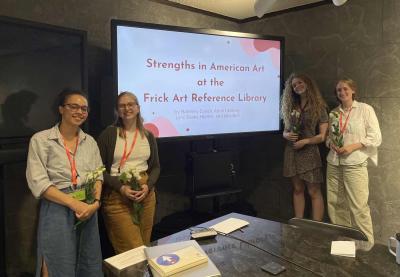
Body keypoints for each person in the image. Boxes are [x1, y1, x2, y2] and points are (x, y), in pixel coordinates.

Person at [26, 90, 103, 277]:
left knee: (88, 260)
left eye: (84, 108)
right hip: (57, 207)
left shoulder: (90, 141)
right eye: (73, 106)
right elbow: (39, 182)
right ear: (61, 109)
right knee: (56, 261)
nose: (80, 111)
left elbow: (98, 175)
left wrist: (95, 204)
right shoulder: (41, 139)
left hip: (87, 208)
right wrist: (72, 203)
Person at [97, 91, 160, 254]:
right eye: (122, 105)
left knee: (145, 249)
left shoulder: (148, 135)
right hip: (117, 197)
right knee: (133, 253)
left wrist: (148, 186)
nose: (127, 108)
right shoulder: (109, 135)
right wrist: (121, 187)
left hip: (146, 197)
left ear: (138, 108)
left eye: (130, 104)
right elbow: (98, 170)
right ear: (117, 110)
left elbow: (155, 167)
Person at [326, 78, 381, 244]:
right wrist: (331, 144)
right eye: (338, 90)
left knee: (359, 209)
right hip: (334, 163)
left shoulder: (365, 109)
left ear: (353, 90)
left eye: (345, 89)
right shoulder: (334, 113)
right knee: (336, 206)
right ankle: (344, 245)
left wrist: (353, 146)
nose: (342, 92)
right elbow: (329, 138)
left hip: (355, 164)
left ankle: (366, 248)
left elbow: (376, 137)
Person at [281, 73, 328, 221]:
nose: (297, 87)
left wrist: (306, 141)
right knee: (297, 189)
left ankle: (316, 228)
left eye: (300, 83)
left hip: (309, 152)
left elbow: (322, 136)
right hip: (292, 152)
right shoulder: (291, 106)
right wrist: (285, 135)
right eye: (294, 85)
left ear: (307, 83)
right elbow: (285, 130)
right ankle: (299, 225)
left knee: (314, 191)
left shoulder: (319, 107)